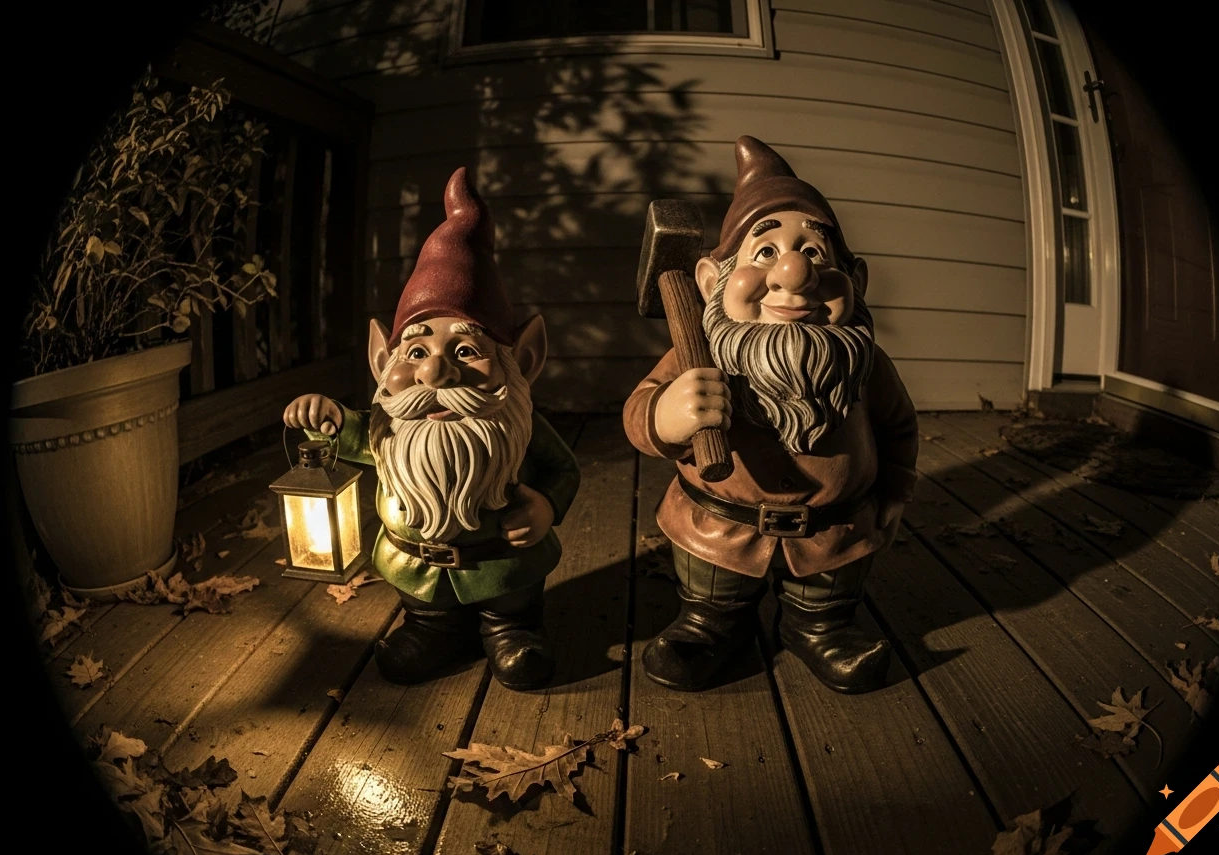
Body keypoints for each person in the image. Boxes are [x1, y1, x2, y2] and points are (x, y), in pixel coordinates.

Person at [623, 136, 919, 694]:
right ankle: (709, 628)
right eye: (764, 252)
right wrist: (665, 415)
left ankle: (823, 630)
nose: (792, 274)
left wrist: (896, 491)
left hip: (837, 532)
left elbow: (898, 427)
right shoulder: (697, 352)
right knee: (713, 597)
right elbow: (640, 411)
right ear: (712, 281)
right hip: (717, 529)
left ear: (852, 282)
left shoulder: (864, 364)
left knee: (828, 602)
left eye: (813, 253)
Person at [284, 167, 579, 691]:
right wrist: (324, 419)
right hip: (415, 571)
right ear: (383, 362)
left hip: (506, 569)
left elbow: (562, 469)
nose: (436, 374)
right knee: (419, 632)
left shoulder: (518, 426)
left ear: (522, 361)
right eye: (415, 351)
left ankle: (510, 631)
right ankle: (432, 629)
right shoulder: (389, 430)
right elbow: (353, 435)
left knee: (513, 619)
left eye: (466, 350)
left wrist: (545, 506)